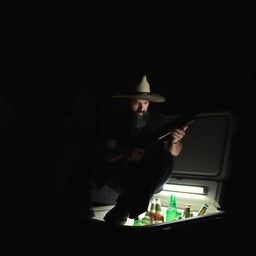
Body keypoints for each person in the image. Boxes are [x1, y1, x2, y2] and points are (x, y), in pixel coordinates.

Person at [93, 75, 189, 225]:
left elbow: (173, 153)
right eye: (136, 103)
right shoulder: (115, 121)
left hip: (150, 177)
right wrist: (125, 153)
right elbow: (105, 154)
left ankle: (123, 208)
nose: (141, 108)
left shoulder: (158, 119)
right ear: (126, 101)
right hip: (122, 175)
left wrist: (176, 140)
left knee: (164, 156)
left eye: (145, 103)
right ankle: (126, 207)